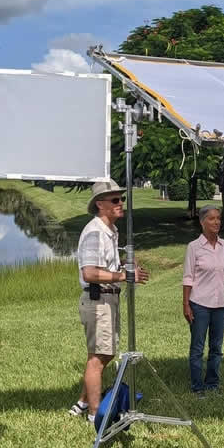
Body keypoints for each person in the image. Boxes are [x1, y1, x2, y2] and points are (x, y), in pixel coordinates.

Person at [69, 179, 149, 421]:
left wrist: (126, 265)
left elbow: (106, 265)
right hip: (98, 299)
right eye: (115, 200)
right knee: (99, 356)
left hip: (107, 299)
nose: (120, 203)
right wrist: (123, 275)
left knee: (103, 353)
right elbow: (90, 272)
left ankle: (82, 403)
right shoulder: (95, 232)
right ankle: (95, 416)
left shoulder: (110, 232)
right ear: (100, 204)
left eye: (121, 199)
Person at [182, 205, 224, 394]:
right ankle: (197, 387)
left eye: (218, 218)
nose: (217, 222)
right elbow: (188, 278)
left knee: (216, 347)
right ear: (202, 222)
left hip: (221, 304)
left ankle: (212, 383)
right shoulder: (194, 247)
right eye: (212, 219)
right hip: (200, 305)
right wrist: (186, 304)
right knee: (197, 347)